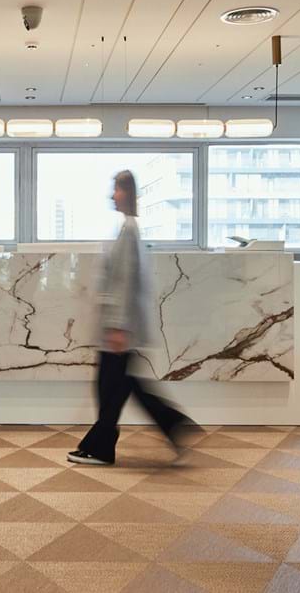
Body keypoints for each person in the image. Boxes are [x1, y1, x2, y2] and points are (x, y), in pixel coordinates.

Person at [68, 170, 196, 466]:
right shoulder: (127, 228)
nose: (112, 195)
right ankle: (168, 424)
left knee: (112, 387)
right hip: (118, 327)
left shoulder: (128, 230)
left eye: (116, 189)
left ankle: (104, 445)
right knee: (121, 386)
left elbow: (123, 281)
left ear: (127, 192)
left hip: (118, 329)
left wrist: (117, 326)